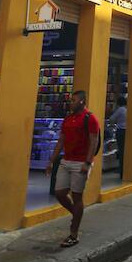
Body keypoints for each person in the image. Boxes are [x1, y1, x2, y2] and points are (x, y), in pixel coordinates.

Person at [46, 90, 99, 247]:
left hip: (80, 163)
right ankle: (76, 214)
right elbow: (61, 141)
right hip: (66, 161)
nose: (71, 103)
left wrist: (87, 163)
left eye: (74, 100)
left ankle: (73, 233)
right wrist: (51, 161)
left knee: (77, 197)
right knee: (60, 193)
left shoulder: (90, 119)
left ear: (82, 101)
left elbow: (94, 141)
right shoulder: (68, 119)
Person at [109, 96, 127, 179]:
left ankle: (121, 168)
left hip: (120, 131)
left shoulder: (120, 110)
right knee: (125, 150)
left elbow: (112, 119)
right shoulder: (127, 109)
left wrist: (113, 125)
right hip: (126, 131)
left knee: (121, 149)